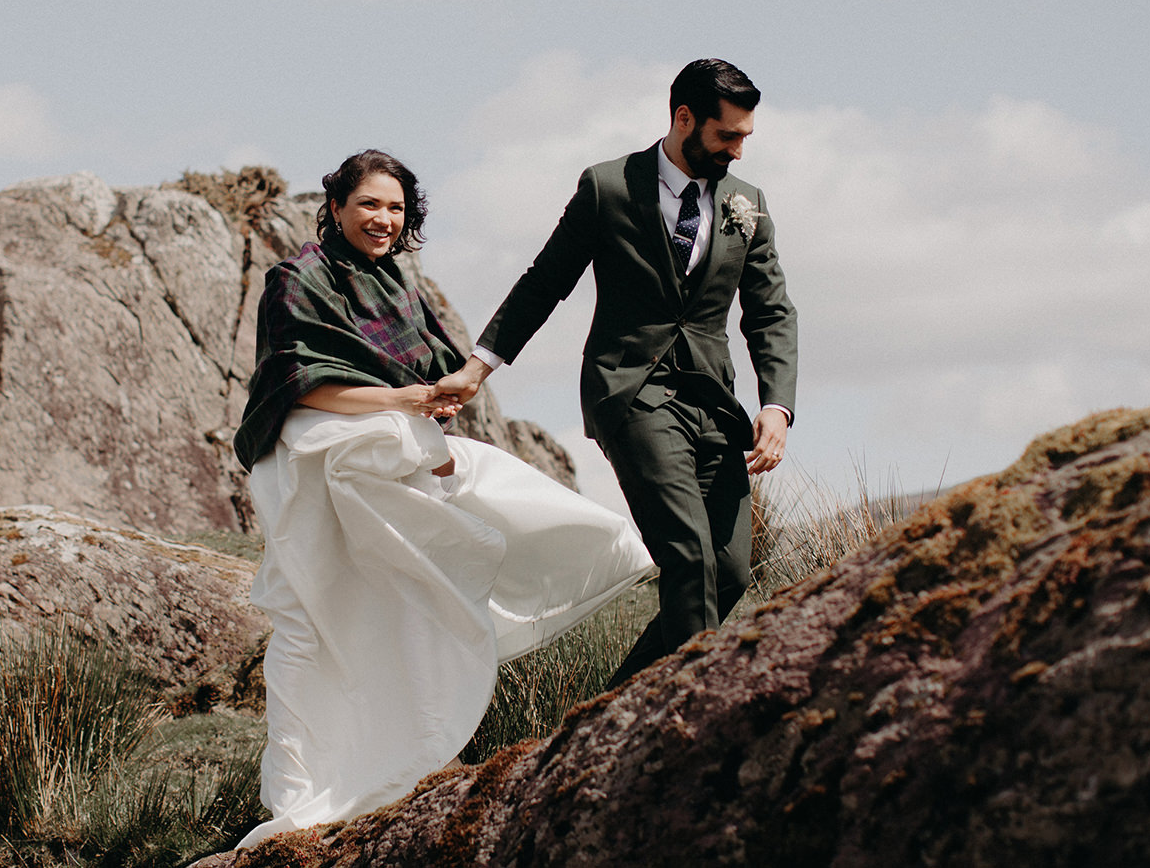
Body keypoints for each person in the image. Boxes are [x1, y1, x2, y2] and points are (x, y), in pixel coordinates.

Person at [232, 149, 653, 848]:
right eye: (370, 204)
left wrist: (445, 390)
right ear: (336, 207)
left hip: (393, 446)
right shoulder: (295, 278)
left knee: (413, 594)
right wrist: (402, 399)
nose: (383, 219)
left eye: (396, 208)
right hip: (319, 454)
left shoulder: (399, 286)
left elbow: (431, 372)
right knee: (318, 617)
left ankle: (409, 758)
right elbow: (300, 384)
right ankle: (306, 790)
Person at [437, 58, 797, 689]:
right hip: (631, 390)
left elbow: (770, 310)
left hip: (714, 401)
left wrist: (777, 404)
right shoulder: (608, 186)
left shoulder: (748, 204)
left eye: (745, 137)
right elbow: (545, 282)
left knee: (730, 571)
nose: (738, 151)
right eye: (727, 136)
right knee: (688, 561)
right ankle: (690, 717)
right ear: (683, 118)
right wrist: (477, 367)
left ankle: (608, 713)